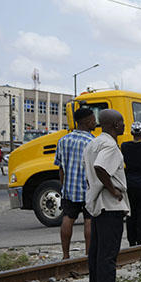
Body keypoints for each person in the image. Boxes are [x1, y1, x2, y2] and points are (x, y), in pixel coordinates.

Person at [84, 109, 129, 282]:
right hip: (110, 203)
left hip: (96, 202)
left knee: (96, 249)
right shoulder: (110, 145)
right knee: (109, 250)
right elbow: (100, 167)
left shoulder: (93, 143)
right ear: (116, 124)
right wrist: (113, 190)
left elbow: (90, 171)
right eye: (122, 122)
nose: (124, 125)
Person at [54, 107, 96, 259]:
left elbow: (60, 167)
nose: (95, 123)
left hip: (69, 190)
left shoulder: (63, 140)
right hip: (88, 189)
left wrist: (64, 185)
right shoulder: (92, 142)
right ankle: (88, 255)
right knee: (89, 220)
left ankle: (65, 255)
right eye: (93, 120)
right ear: (87, 122)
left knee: (68, 218)